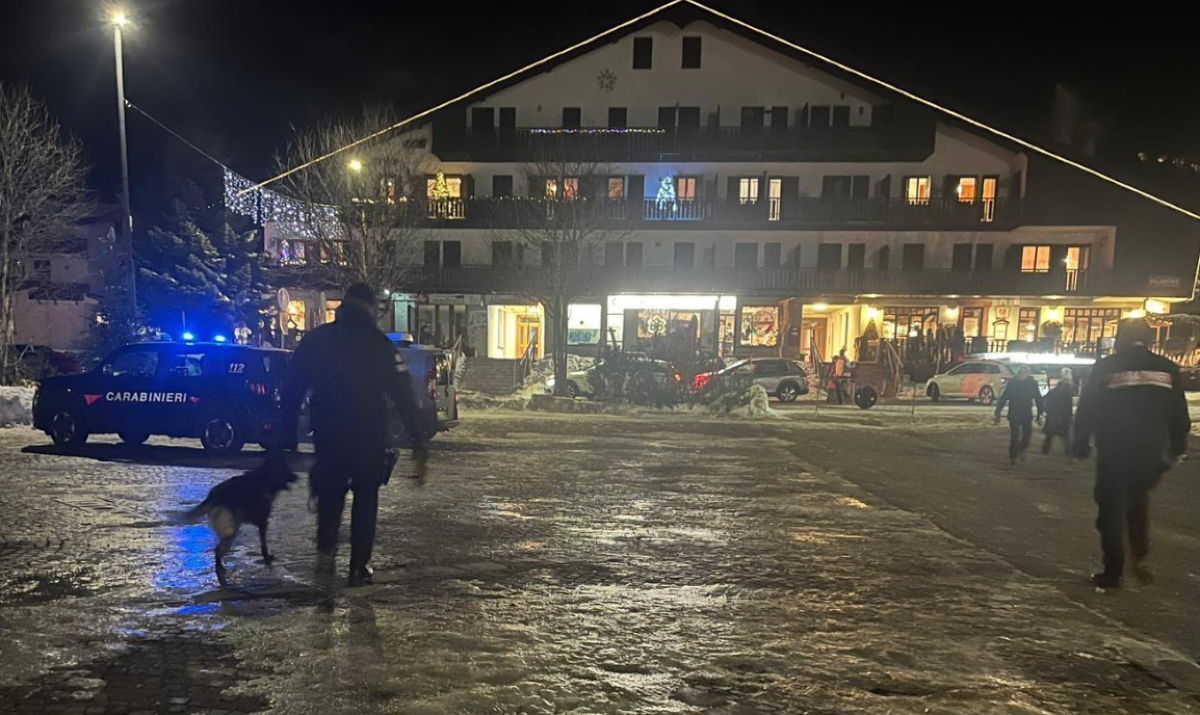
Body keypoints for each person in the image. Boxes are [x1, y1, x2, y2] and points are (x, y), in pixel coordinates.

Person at [282, 283, 429, 587]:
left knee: (330, 499)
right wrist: (419, 441)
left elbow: (292, 388)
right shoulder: (381, 346)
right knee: (366, 502)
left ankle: (325, 559)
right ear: (371, 308)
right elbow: (403, 396)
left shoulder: (318, 341)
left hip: (330, 435)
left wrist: (286, 434)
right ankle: (359, 567)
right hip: (369, 439)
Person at [1073, 320, 1189, 589]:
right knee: (1138, 500)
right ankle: (1141, 553)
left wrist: (1080, 442)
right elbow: (1178, 413)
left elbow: (1088, 407)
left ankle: (1113, 571)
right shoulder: (1167, 369)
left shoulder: (1106, 367)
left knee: (1110, 509)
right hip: (1150, 451)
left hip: (1114, 448)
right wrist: (1176, 447)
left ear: (1120, 339)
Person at [994, 366, 1044, 465]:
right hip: (1015, 414)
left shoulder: (1032, 384)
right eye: (1021, 373)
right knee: (1015, 435)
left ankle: (1019, 449)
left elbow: (1038, 399)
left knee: (1027, 435)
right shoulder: (1013, 383)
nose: (1022, 375)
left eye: (1024, 373)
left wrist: (1040, 414)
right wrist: (997, 412)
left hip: (1025, 413)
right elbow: (1004, 397)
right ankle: (1013, 456)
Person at [1041, 367, 1075, 457]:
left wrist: (1047, 410)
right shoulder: (1067, 389)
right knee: (1065, 436)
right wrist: (1070, 416)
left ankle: (1045, 450)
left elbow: (1046, 398)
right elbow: (1068, 406)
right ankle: (1069, 454)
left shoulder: (1057, 389)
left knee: (1051, 434)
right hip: (1062, 416)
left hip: (1054, 415)